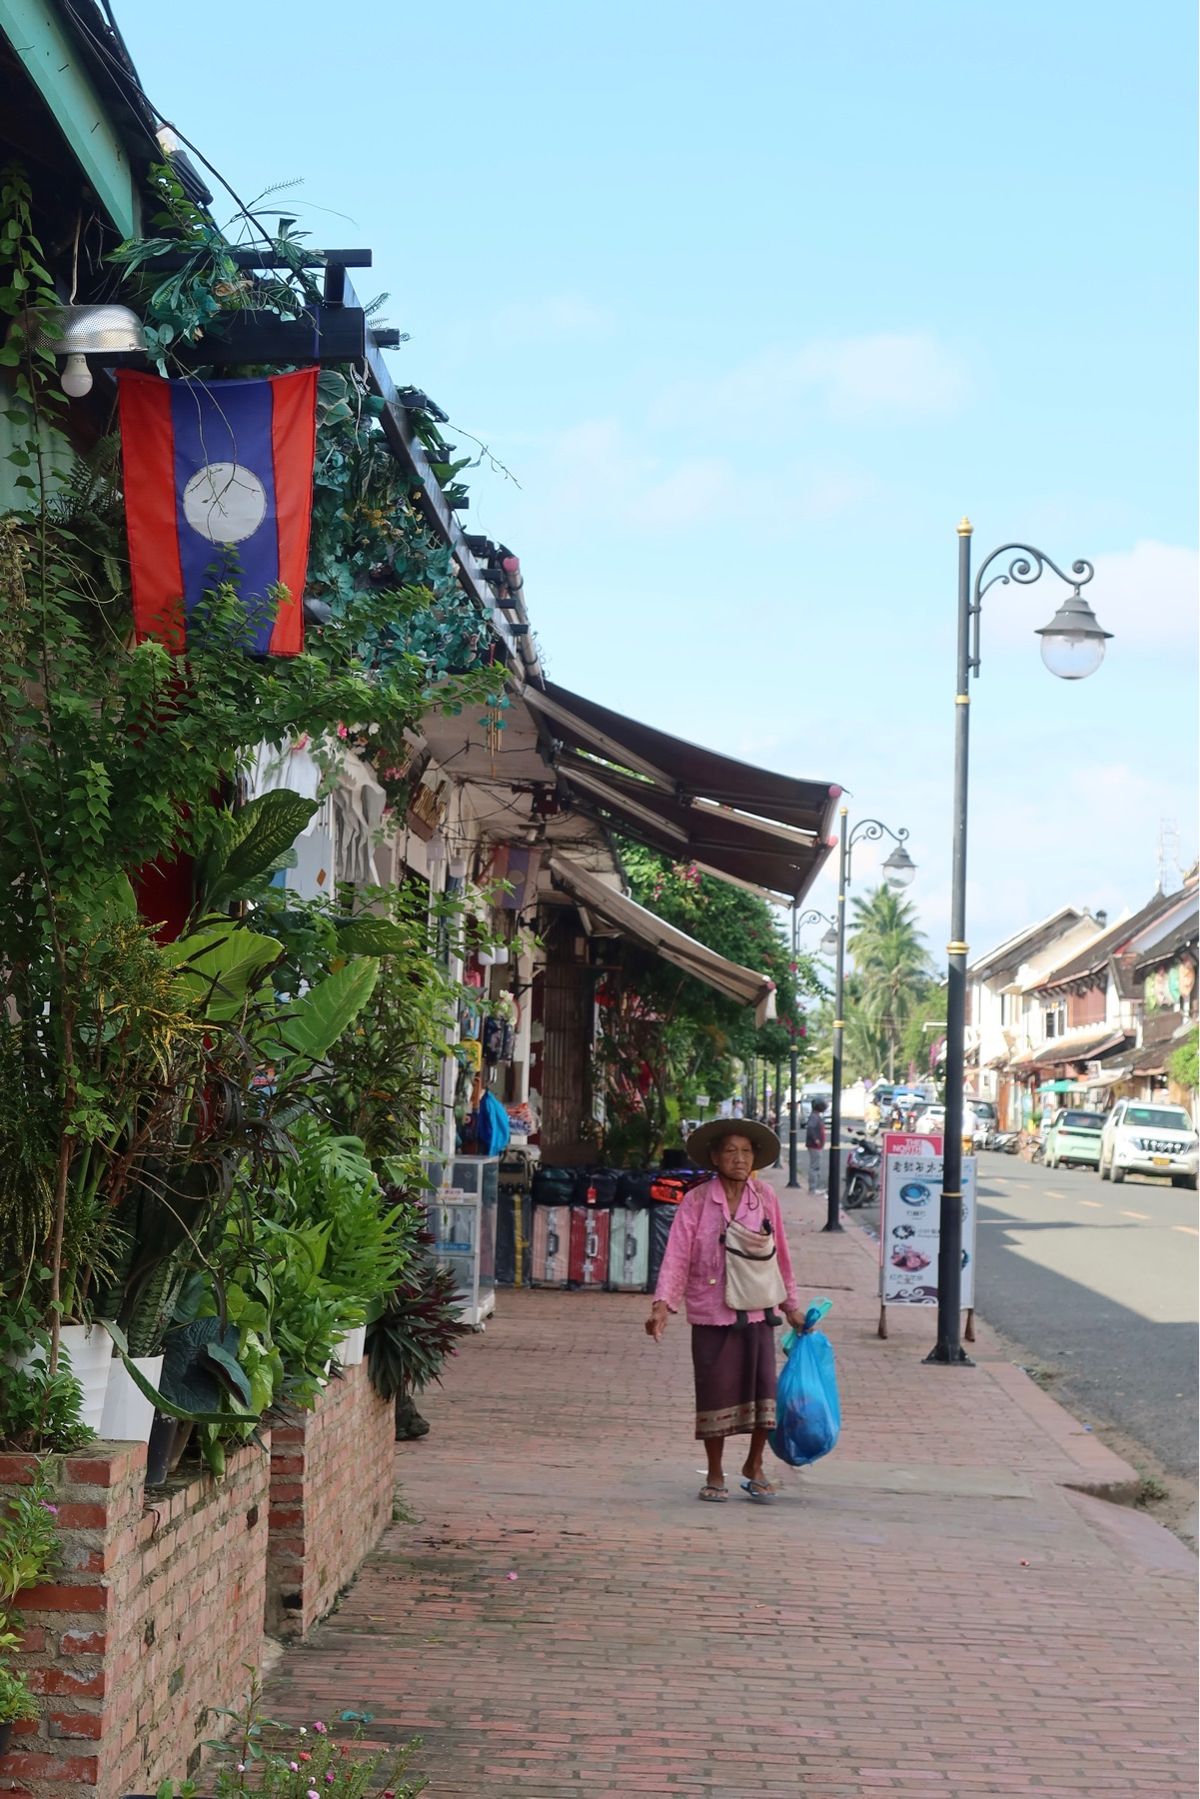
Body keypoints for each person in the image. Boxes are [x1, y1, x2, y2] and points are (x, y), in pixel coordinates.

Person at [645, 1121, 807, 1503]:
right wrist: (662, 1306)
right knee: (714, 1393)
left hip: (757, 1310)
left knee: (763, 1392)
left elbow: (780, 1255)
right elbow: (677, 1256)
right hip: (711, 1312)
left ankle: (755, 1464)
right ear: (716, 1158)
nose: (739, 1158)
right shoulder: (698, 1201)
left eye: (746, 1151)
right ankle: (715, 1472)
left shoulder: (765, 1197)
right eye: (731, 1151)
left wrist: (793, 1307)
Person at [805, 1098, 827, 1194]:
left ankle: (815, 1187)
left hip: (816, 1145)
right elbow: (810, 1128)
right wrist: (816, 1140)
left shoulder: (816, 1116)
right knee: (815, 1167)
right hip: (815, 1146)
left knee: (815, 1166)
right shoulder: (814, 1117)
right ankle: (813, 1188)